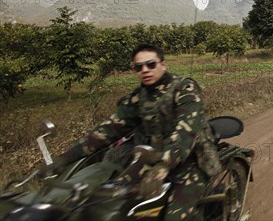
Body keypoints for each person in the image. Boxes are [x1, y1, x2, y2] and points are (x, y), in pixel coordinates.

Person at [41, 43, 221, 221]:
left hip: (192, 158)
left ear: (163, 65)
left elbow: (186, 132)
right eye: (139, 66)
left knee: (176, 216)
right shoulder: (138, 97)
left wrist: (163, 166)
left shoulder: (184, 88)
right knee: (109, 198)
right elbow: (106, 131)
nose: (145, 70)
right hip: (152, 157)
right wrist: (64, 159)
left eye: (151, 64)